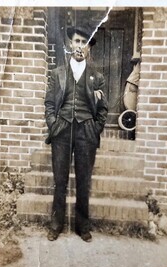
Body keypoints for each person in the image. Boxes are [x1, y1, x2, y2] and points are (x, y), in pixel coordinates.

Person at [44, 25, 108, 242]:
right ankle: (56, 224)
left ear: (89, 48)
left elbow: (103, 109)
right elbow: (49, 104)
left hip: (86, 131)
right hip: (62, 130)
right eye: (77, 41)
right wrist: (53, 124)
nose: (80, 46)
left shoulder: (97, 77)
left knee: (83, 180)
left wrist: (96, 127)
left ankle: (83, 226)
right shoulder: (57, 74)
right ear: (70, 44)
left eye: (85, 42)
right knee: (60, 179)